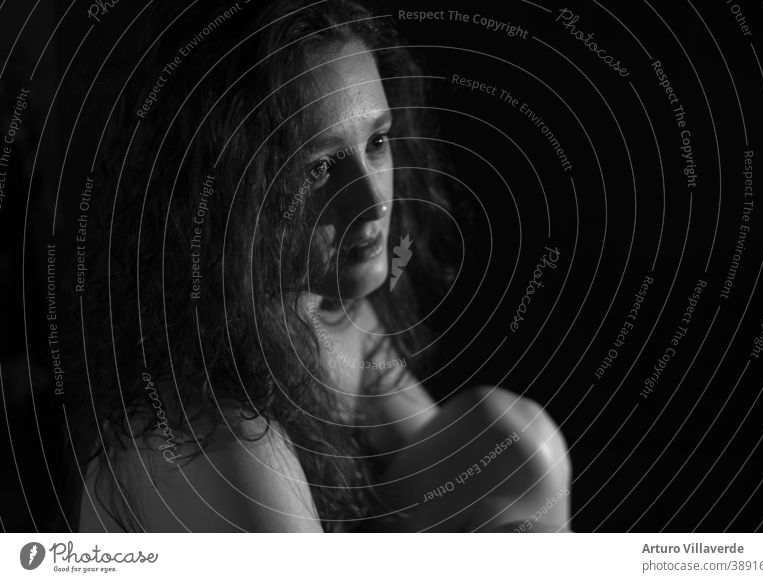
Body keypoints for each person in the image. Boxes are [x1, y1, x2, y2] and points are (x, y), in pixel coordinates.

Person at [69, 0, 571, 532]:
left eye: (377, 142)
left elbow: (452, 471)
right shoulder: (205, 433)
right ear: (223, 194)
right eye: (321, 167)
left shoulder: (332, 314)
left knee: (511, 442)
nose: (374, 202)